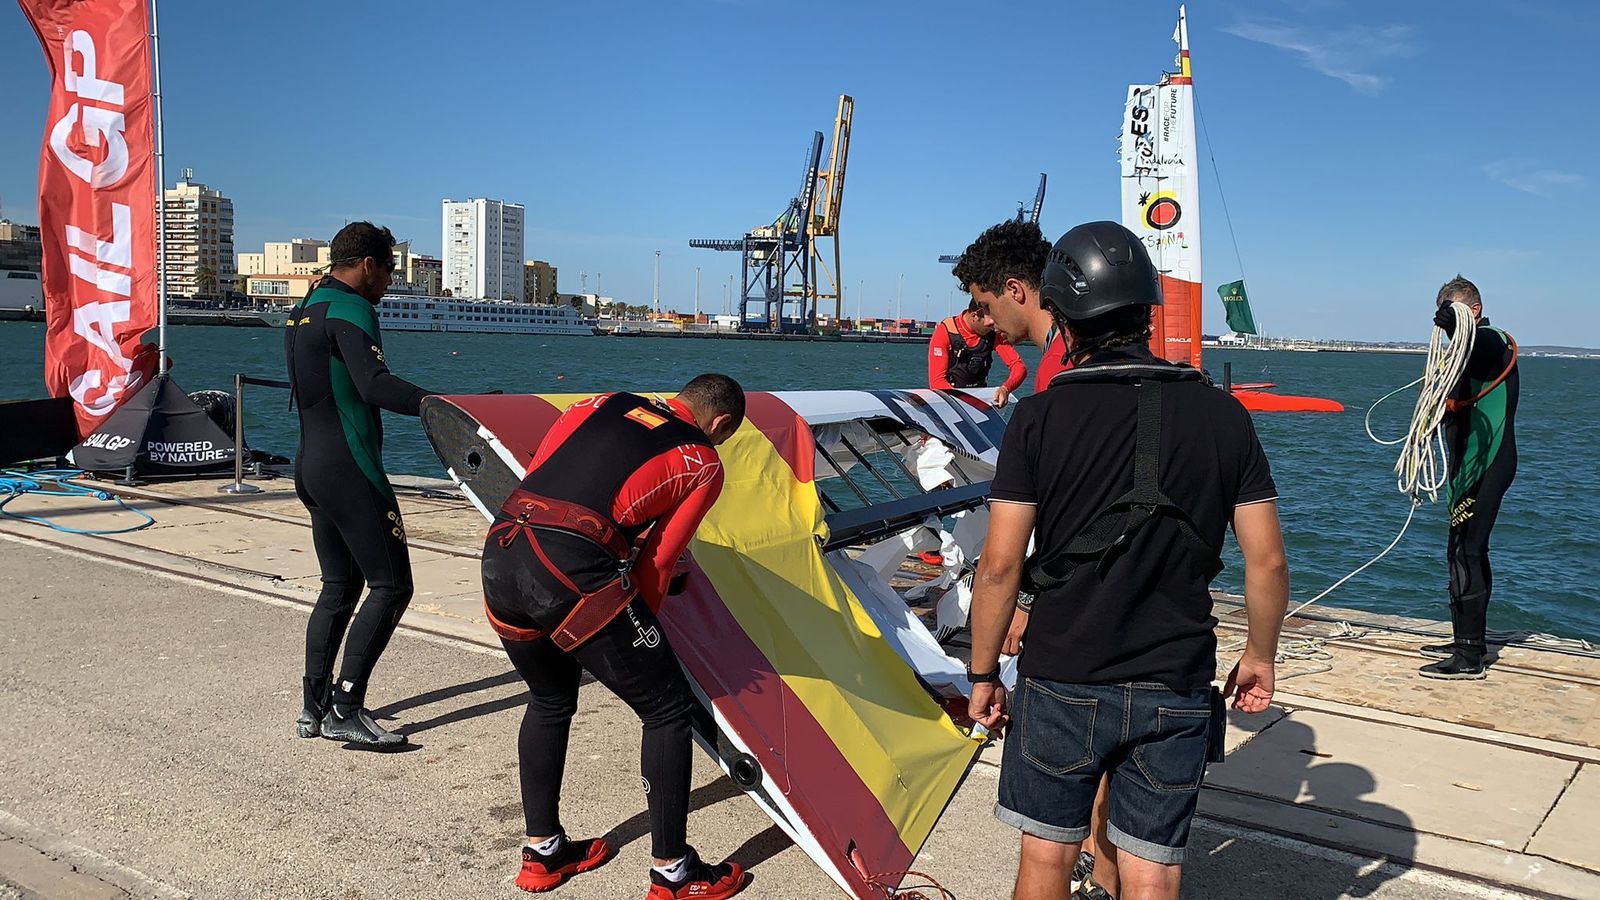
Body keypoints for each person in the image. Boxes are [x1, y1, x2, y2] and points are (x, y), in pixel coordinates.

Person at [966, 221, 1290, 900]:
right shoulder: (1224, 416)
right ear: (1148, 312)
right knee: (1153, 867)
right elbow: (1266, 563)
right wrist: (1260, 655)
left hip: (1062, 674)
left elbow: (998, 567)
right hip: (1174, 677)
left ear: (1062, 315)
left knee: (1047, 858)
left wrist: (984, 671)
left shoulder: (1038, 419)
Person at [481, 375, 750, 899]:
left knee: (549, 699)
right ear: (719, 425)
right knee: (667, 709)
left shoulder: (601, 402)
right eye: (725, 436)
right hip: (569, 570)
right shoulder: (703, 461)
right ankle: (674, 875)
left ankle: (544, 854)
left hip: (504, 549)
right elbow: (659, 561)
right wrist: (639, 633)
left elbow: (544, 471)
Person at [287, 221, 435, 748]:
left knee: (339, 586)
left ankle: (313, 706)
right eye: (390, 269)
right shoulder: (352, 307)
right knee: (393, 585)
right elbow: (372, 385)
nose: (390, 281)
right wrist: (434, 405)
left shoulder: (307, 306)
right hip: (349, 468)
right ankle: (345, 708)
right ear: (368, 264)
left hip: (310, 465)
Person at [1421, 276, 1518, 680]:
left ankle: (1470, 655)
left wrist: (1456, 326)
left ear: (1473, 312)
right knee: (1457, 550)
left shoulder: (1492, 342)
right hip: (1466, 465)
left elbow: (1482, 345)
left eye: (1454, 309)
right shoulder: (1462, 356)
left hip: (1488, 462)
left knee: (1468, 552)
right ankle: (1464, 637)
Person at [952, 220, 1068, 395]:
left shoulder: (1057, 367)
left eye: (987, 306)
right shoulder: (1076, 344)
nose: (988, 321)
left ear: (1014, 290)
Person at [927, 299, 1028, 407]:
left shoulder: (993, 334)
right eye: (989, 324)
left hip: (979, 400)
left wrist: (1005, 389)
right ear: (975, 316)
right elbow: (937, 382)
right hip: (949, 402)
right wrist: (967, 402)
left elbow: (1019, 367)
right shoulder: (946, 331)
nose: (993, 327)